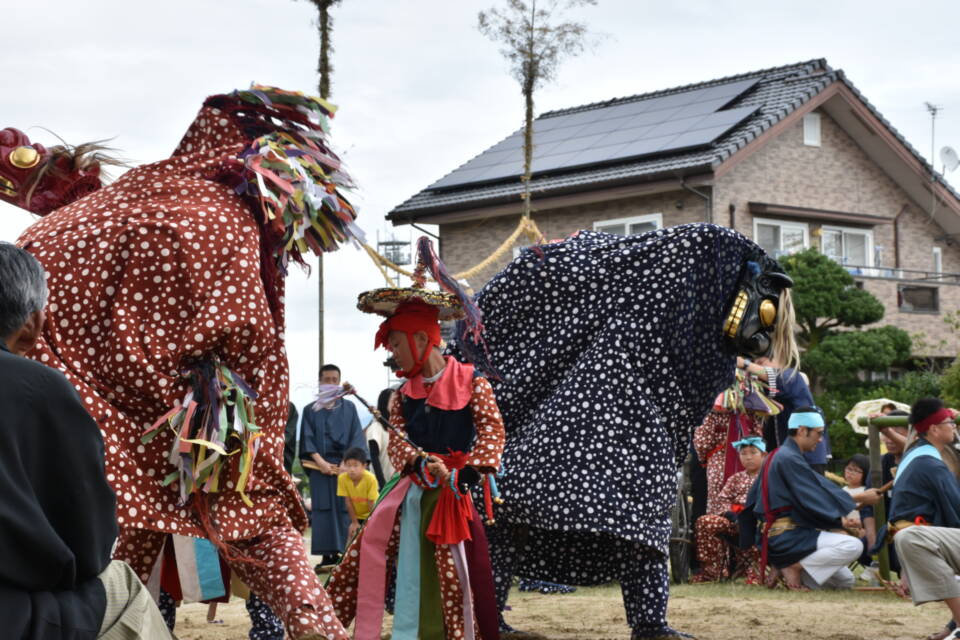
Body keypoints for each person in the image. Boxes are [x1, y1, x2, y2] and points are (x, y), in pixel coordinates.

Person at [7, 86, 360, 640]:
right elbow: (249, 335)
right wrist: (257, 427)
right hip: (194, 386)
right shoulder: (211, 208)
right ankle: (311, 620)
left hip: (93, 389)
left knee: (128, 497)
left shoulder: (58, 230)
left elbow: (25, 348)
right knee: (251, 507)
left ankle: (113, 614)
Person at [327, 240, 506, 640]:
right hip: (408, 488)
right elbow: (399, 444)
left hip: (453, 494)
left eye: (395, 344)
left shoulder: (473, 383)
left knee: (452, 573)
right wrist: (419, 463)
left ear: (421, 340)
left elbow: (492, 431)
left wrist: (468, 474)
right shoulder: (401, 396)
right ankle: (321, 629)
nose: (393, 355)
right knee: (360, 555)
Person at [0, 243, 170, 639]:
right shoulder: (40, 388)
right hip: (14, 618)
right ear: (34, 322)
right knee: (122, 583)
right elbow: (90, 546)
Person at [740, 408, 862, 590]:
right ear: (803, 431)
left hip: (779, 536)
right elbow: (812, 497)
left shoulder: (779, 455)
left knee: (845, 581)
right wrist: (852, 505)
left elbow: (808, 495)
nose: (820, 440)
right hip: (788, 538)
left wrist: (839, 520)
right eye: (818, 433)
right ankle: (792, 566)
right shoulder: (788, 458)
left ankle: (787, 568)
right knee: (853, 545)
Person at [885, 398, 960, 640]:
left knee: (911, 538)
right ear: (934, 429)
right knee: (911, 538)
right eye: (950, 422)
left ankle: (955, 625)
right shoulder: (930, 464)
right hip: (916, 538)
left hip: (913, 538)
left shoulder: (916, 455)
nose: (954, 426)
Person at [301, 364, 369, 568]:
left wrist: (346, 463)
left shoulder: (349, 409)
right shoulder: (310, 410)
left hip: (345, 467)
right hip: (319, 467)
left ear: (339, 382)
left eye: (334, 380)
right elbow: (307, 439)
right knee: (322, 509)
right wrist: (320, 462)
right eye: (326, 380)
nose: (330, 383)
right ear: (319, 382)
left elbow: (356, 437)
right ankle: (326, 556)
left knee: (344, 508)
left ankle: (344, 552)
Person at [692, 436, 765, 584]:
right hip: (734, 520)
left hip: (758, 521)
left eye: (753, 452)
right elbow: (722, 501)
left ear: (764, 455)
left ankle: (755, 572)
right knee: (705, 521)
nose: (748, 457)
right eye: (744, 453)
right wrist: (732, 515)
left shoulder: (768, 477)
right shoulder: (735, 478)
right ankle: (711, 572)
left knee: (757, 526)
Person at [337, 446, 380, 539]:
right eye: (348, 465)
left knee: (370, 538)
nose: (352, 469)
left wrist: (371, 522)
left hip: (373, 513)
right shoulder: (342, 478)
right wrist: (354, 522)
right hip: (356, 516)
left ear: (364, 466)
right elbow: (348, 502)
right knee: (353, 537)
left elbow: (371, 503)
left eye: (355, 465)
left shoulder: (371, 479)